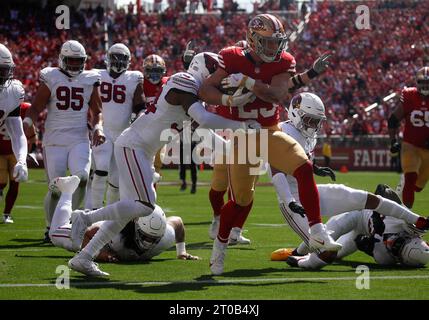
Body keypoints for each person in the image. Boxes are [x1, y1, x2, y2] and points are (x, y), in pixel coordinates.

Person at [67, 52, 258, 277]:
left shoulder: (194, 93)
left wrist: (229, 148)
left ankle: (84, 257)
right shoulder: (184, 81)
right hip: (134, 145)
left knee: (130, 211)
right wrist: (242, 126)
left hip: (143, 151)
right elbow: (205, 119)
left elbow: (199, 129)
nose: (219, 80)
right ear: (204, 70)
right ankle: (85, 217)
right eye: (216, 74)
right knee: (145, 205)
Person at [199, 14, 336, 275]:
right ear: (253, 40)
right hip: (242, 137)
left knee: (303, 167)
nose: (275, 48)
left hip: (269, 131)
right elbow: (206, 91)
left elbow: (277, 95)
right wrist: (229, 101)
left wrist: (248, 82)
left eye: (277, 42)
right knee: (240, 200)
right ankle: (219, 247)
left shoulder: (284, 61)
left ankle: (317, 231)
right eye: (269, 42)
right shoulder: (231, 57)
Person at [268, 93, 429, 269]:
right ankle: (303, 261)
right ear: (295, 113)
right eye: (310, 120)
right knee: (326, 252)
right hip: (292, 199)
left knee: (367, 199)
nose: (314, 125)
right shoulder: (282, 132)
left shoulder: (306, 135)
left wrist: (315, 168)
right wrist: (289, 200)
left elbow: (298, 161)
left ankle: (416, 219)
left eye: (317, 121)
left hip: (311, 191)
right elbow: (277, 172)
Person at [24, 40, 105, 242]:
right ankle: (50, 227)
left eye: (79, 61)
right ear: (62, 59)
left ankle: (68, 220)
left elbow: (97, 111)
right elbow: (36, 107)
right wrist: (28, 121)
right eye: (71, 61)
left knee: (82, 178)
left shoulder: (89, 78)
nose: (76, 65)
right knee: (56, 187)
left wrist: (98, 127)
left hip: (78, 136)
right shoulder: (51, 77)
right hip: (55, 139)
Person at [49, 176, 199, 263]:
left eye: (154, 239)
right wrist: (101, 254)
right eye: (145, 236)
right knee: (55, 235)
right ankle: (67, 190)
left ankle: (148, 181)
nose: (148, 243)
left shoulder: (165, 236)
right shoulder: (116, 233)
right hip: (100, 232)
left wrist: (181, 251)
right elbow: (87, 234)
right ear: (135, 228)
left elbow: (178, 222)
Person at [280, 184, 429, 269]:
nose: (391, 243)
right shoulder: (409, 225)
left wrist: (370, 240)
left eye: (395, 248)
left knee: (332, 254)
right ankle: (298, 252)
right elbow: (383, 190)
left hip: (359, 231)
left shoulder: (385, 258)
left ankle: (305, 262)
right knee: (327, 234)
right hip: (357, 214)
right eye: (399, 242)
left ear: (401, 259)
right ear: (412, 238)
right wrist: (377, 216)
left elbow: (359, 240)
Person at [91, 43, 144, 209]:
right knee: (101, 169)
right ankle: (94, 210)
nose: (120, 61)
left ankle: (107, 215)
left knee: (115, 181)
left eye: (123, 58)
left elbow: (139, 105)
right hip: (103, 130)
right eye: (116, 57)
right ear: (108, 57)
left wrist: (140, 116)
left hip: (122, 134)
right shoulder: (95, 75)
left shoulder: (133, 77)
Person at [389, 66, 429, 208]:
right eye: (422, 82)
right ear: (417, 83)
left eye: (428, 83)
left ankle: (405, 181)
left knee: (418, 187)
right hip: (410, 144)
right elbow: (393, 119)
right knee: (411, 178)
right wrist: (393, 141)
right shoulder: (409, 95)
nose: (425, 85)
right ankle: (407, 219)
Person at [0, 44, 29, 223]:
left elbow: (17, 132)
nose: (4, 76)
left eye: (5, 71)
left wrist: (21, 159)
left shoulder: (12, 91)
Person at [0, 102, 36, 223]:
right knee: (2, 183)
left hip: (15, 152)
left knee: (15, 182)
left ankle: (7, 214)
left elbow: (31, 132)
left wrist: (31, 151)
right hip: (0, 151)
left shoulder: (24, 108)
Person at [142, 54, 169, 179]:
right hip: (141, 130)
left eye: (157, 71)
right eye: (151, 70)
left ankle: (151, 197)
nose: (154, 74)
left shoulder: (168, 83)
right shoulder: (139, 83)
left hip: (160, 131)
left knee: (156, 167)